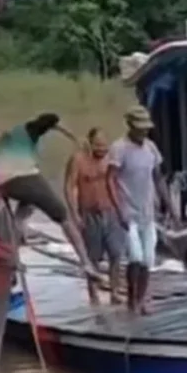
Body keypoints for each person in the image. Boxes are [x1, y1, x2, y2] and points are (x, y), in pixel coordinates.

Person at [0, 113, 102, 282]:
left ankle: (13, 261)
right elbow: (52, 121)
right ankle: (86, 263)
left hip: (2, 181)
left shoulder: (9, 136)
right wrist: (75, 138)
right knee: (63, 216)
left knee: (22, 213)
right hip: (24, 175)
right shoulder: (31, 129)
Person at [107, 105, 179, 315]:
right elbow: (110, 180)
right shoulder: (119, 148)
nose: (144, 132)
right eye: (140, 128)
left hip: (147, 212)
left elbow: (158, 179)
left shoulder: (151, 148)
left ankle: (141, 298)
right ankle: (132, 299)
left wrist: (171, 207)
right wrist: (118, 209)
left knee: (148, 259)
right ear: (131, 126)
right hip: (128, 212)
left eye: (146, 128)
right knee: (135, 257)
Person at [65, 127, 125, 305]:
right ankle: (94, 295)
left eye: (104, 145)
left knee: (116, 253)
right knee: (93, 257)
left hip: (111, 212)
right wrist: (74, 213)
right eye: (97, 145)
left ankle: (115, 292)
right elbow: (69, 187)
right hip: (89, 214)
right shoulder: (78, 160)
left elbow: (120, 182)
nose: (101, 149)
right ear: (89, 144)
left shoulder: (111, 158)